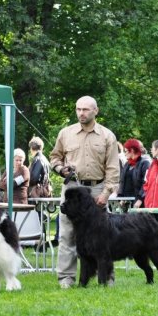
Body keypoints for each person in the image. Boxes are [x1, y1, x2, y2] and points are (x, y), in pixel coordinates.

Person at [49, 96, 119, 288]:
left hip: (97, 188)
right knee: (67, 234)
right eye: (78, 109)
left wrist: (106, 193)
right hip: (72, 189)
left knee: (101, 237)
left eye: (86, 109)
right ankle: (66, 279)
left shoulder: (107, 136)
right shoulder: (65, 133)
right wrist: (60, 169)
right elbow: (54, 158)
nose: (81, 113)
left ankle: (107, 278)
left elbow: (113, 169)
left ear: (96, 111)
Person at [119, 139, 151, 209]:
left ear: (132, 150)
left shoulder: (145, 163)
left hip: (138, 202)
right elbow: (122, 182)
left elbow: (146, 183)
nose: (125, 154)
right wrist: (121, 197)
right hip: (126, 202)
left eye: (126, 151)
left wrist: (140, 199)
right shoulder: (127, 164)